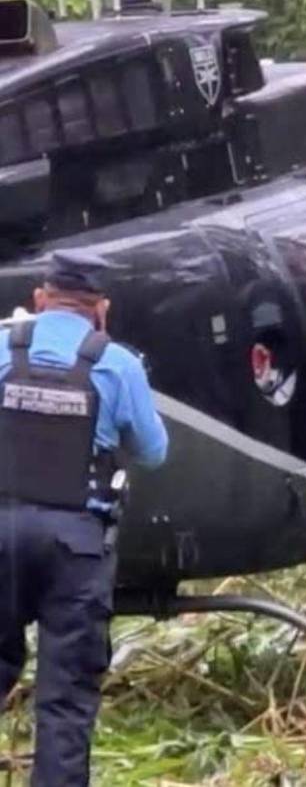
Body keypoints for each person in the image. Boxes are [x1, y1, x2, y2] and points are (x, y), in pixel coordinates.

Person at [0, 249, 169, 785]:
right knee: (65, 700)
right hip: (74, 548)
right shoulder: (116, 363)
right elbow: (153, 451)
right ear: (102, 309)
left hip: (0, 533)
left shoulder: (3, 346)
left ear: (39, 299)